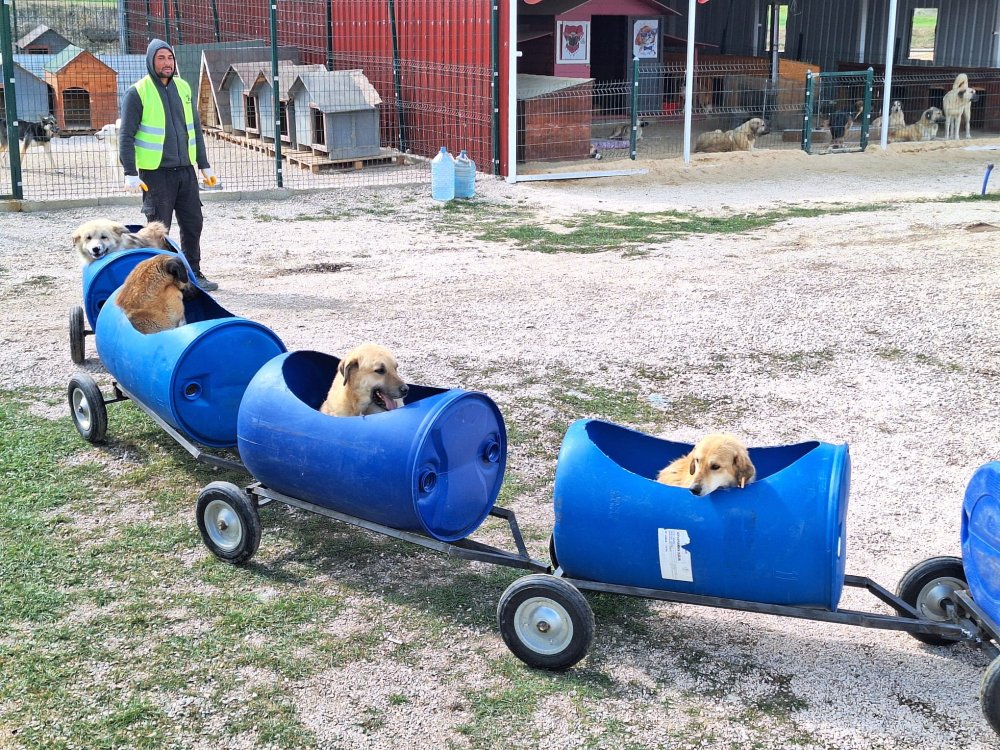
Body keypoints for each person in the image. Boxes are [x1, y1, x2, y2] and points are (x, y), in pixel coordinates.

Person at [119, 38, 219, 291]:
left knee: (193, 223)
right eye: (161, 58)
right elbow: (126, 135)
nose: (167, 63)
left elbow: (194, 129)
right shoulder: (138, 92)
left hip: (185, 171)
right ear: (151, 61)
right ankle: (159, 280)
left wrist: (203, 164)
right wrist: (130, 172)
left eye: (170, 58)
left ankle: (192, 274)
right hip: (155, 174)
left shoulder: (183, 87)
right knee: (157, 230)